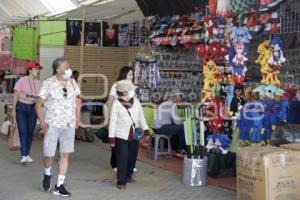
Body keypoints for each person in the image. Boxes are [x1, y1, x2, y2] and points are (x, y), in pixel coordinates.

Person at [35, 57, 80, 197]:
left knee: (65, 154)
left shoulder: (72, 83)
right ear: (58, 70)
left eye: (69, 66)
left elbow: (78, 100)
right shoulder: (48, 83)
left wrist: (77, 119)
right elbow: (38, 104)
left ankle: (59, 186)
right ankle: (47, 173)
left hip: (68, 124)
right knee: (49, 156)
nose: (69, 69)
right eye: (66, 67)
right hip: (52, 124)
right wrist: (42, 122)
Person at [108, 80, 149, 190]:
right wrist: (111, 138)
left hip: (134, 134)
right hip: (120, 135)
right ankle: (121, 181)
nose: (133, 92)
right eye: (131, 90)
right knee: (122, 157)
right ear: (125, 92)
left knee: (132, 156)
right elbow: (113, 121)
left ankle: (129, 175)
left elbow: (141, 117)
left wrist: (146, 130)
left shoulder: (136, 101)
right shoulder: (116, 104)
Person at [105, 66, 135, 172]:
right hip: (117, 117)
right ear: (124, 75)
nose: (132, 76)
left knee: (127, 141)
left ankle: (127, 164)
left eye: (132, 74)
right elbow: (110, 101)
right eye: (130, 74)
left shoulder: (132, 86)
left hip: (129, 119)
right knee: (118, 141)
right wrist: (108, 118)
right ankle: (115, 163)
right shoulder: (116, 85)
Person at [12, 61, 42, 163]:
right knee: (23, 132)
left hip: (33, 108)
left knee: (30, 133)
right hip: (22, 107)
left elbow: (40, 98)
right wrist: (13, 110)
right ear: (30, 70)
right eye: (36, 69)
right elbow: (16, 94)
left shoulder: (39, 83)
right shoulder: (22, 81)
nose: (37, 71)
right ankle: (23, 155)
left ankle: (27, 154)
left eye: (38, 69)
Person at [153, 88, 187, 155]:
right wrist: (185, 122)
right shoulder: (172, 105)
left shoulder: (166, 103)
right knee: (183, 128)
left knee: (178, 128)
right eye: (180, 96)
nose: (181, 98)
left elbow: (175, 120)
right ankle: (181, 150)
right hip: (160, 128)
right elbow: (177, 121)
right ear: (175, 97)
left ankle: (177, 148)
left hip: (157, 127)